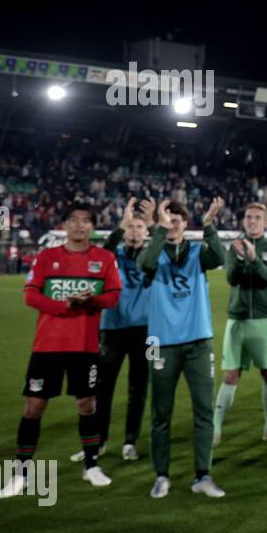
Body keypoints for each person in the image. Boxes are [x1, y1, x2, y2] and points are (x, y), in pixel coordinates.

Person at [0, 203, 121, 497]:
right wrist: (65, 305)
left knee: (87, 405)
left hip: (84, 345)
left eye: (86, 221)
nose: (80, 226)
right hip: (48, 345)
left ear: (92, 226)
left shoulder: (104, 258)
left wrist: (90, 300)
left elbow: (114, 296)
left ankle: (91, 466)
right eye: (74, 221)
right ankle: (21, 473)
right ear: (64, 225)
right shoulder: (46, 257)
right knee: (33, 407)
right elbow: (30, 296)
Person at [139, 198, 229, 499]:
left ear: (185, 224)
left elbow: (219, 257)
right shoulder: (154, 249)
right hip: (160, 344)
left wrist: (209, 225)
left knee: (204, 410)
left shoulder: (195, 252)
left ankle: (202, 475)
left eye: (177, 220)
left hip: (198, 342)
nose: (173, 224)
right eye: (168, 220)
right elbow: (145, 265)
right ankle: (161, 475)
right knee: (160, 413)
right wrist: (159, 231)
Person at [214, 203, 267, 445]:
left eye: (258, 217)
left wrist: (255, 261)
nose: (253, 221)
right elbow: (232, 278)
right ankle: (215, 429)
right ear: (243, 221)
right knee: (230, 375)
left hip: (266, 319)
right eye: (249, 217)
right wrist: (243, 258)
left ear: (266, 223)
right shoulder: (233, 248)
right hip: (239, 318)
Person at [91, 197, 152, 462]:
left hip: (143, 331)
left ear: (146, 231)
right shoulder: (111, 257)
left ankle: (130, 441)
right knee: (103, 389)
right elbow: (104, 249)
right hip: (111, 329)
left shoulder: (151, 258)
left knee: (137, 389)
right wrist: (120, 225)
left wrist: (156, 225)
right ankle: (99, 441)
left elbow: (161, 253)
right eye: (131, 226)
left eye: (140, 226)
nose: (135, 231)